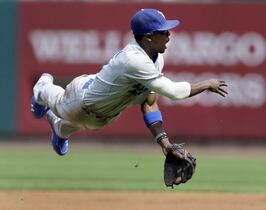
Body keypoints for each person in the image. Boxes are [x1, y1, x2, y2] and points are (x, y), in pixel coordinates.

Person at [31, 8, 228, 157]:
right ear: (149, 37)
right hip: (80, 99)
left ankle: (58, 130)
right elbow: (174, 92)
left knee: (69, 127)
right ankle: (42, 87)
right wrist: (206, 84)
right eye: (164, 31)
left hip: (103, 117)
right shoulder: (134, 59)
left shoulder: (156, 59)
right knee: (56, 102)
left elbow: (149, 102)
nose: (169, 35)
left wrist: (165, 144)